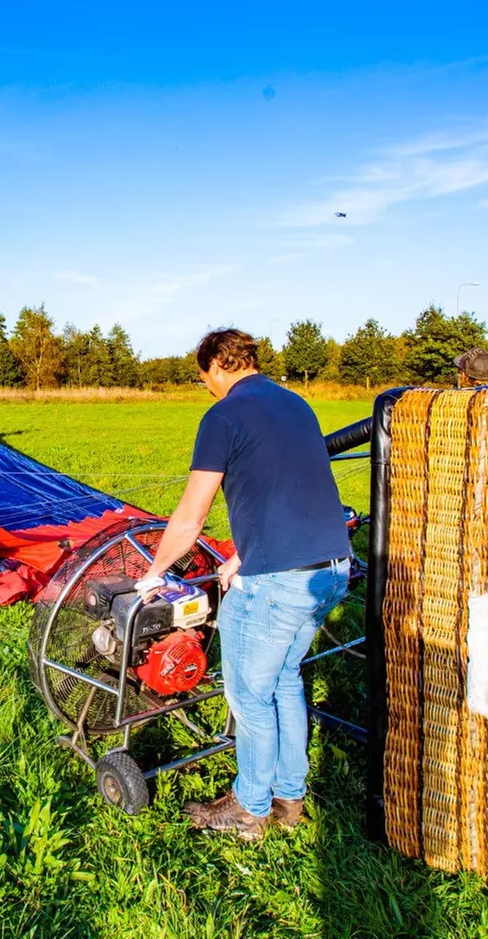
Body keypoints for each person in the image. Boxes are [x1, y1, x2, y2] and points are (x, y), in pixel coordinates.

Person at [136, 329, 351, 840]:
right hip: (331, 567)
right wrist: (240, 554)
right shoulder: (297, 406)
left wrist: (154, 571)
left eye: (202, 377)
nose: (205, 387)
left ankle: (249, 809)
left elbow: (190, 519)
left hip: (278, 582)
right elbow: (285, 491)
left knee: (249, 696)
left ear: (215, 367)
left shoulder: (223, 415)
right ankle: (288, 797)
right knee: (283, 682)